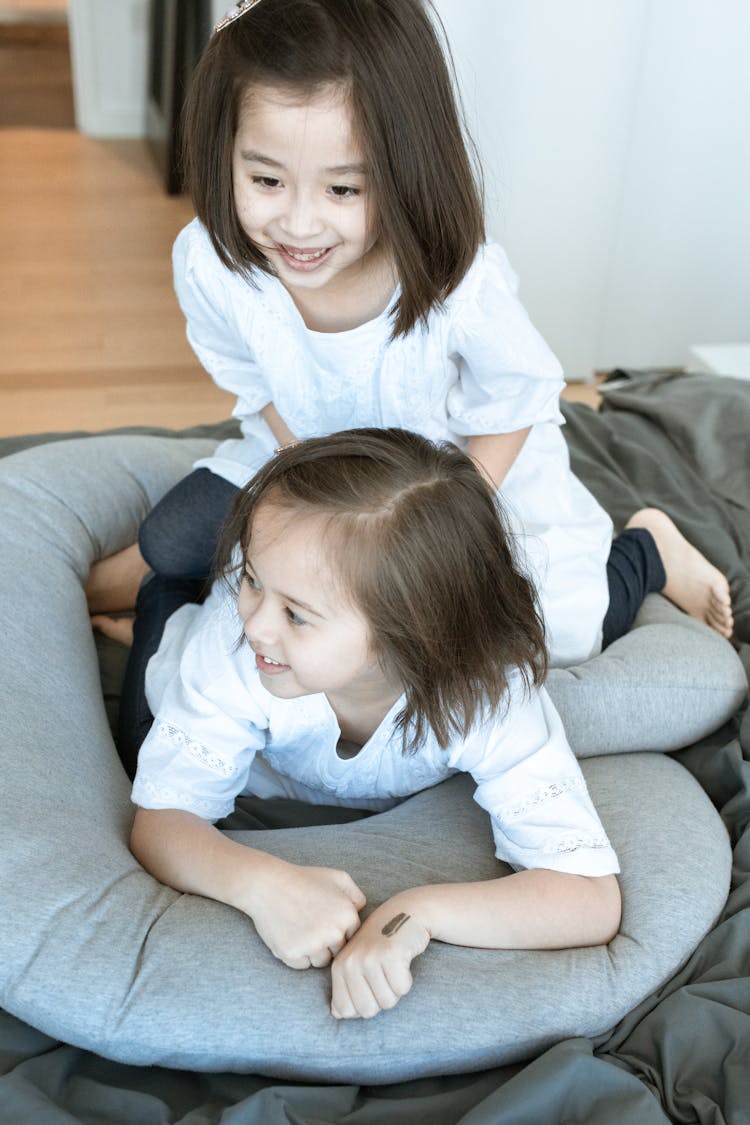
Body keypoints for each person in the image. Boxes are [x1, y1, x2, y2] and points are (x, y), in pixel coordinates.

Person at [88, 0, 733, 688]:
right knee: (172, 540)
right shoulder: (214, 264)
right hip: (311, 462)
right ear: (225, 154)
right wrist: (307, 492)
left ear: (402, 167)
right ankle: (154, 597)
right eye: (266, 180)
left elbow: (518, 397)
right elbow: (258, 384)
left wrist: (428, 528)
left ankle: (646, 551)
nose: (299, 225)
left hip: (446, 491)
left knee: (556, 631)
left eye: (343, 188)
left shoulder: (453, 284)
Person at [128, 428, 622, 1021]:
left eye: (296, 615)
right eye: (253, 581)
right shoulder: (237, 645)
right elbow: (161, 822)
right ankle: (167, 587)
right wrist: (263, 885)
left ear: (410, 630)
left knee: (586, 617)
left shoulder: (488, 692)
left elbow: (589, 896)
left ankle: (649, 551)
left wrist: (414, 915)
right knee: (150, 673)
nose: (257, 624)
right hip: (193, 654)